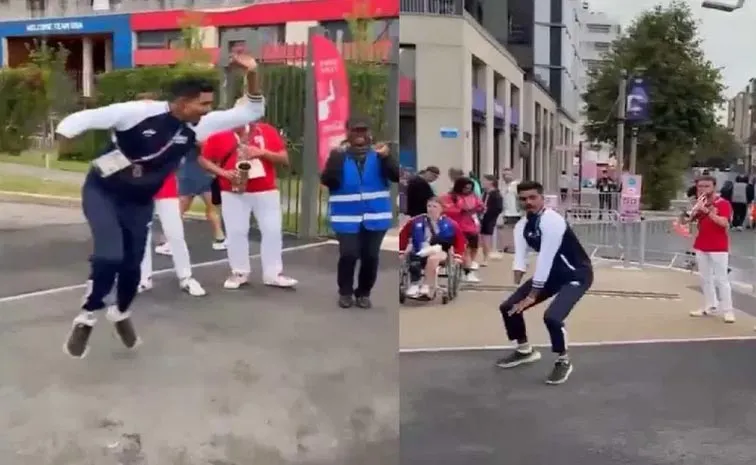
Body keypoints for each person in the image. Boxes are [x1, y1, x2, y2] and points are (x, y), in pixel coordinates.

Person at [56, 52, 264, 358]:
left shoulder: (199, 125)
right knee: (109, 255)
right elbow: (85, 118)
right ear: (182, 102)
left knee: (132, 269)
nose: (208, 111)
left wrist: (253, 73)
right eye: (202, 104)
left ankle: (120, 312)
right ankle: (87, 316)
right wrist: (65, 135)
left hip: (139, 202)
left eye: (209, 105)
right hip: (103, 191)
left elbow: (251, 110)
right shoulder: (139, 112)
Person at [495, 180, 593, 385]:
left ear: (541, 198)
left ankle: (563, 360)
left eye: (532, 197)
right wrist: (518, 279)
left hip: (577, 275)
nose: (528, 202)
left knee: (552, 318)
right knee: (509, 307)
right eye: (523, 199)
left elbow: (545, 258)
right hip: (552, 275)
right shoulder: (522, 225)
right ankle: (524, 351)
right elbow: (521, 257)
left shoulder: (552, 221)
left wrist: (532, 295)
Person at [199, 109, 297, 289]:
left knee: (273, 231)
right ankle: (239, 272)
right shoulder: (220, 134)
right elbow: (203, 159)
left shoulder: (267, 130)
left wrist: (261, 153)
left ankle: (273, 274)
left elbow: (284, 158)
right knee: (236, 232)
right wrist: (224, 173)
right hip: (232, 191)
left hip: (266, 190)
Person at [320, 117, 399, 308]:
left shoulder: (379, 155)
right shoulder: (339, 155)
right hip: (345, 217)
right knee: (349, 254)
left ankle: (364, 292)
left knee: (370, 256)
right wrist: (335, 160)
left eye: (363, 131)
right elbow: (328, 181)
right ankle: (345, 292)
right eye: (356, 131)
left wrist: (387, 157)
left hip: (376, 216)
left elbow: (396, 176)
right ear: (348, 133)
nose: (360, 135)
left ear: (369, 133)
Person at [138, 171, 207, 296]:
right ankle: (143, 278)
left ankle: (186, 277)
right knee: (140, 236)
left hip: (166, 190)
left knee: (175, 234)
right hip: (140, 190)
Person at [681, 175, 734, 323]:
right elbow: (687, 220)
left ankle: (728, 310)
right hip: (701, 244)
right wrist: (688, 214)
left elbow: (724, 223)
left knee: (722, 279)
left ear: (714, 187)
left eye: (706, 186)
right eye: (700, 186)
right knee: (705, 278)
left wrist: (706, 210)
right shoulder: (698, 203)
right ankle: (710, 305)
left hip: (718, 246)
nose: (703, 189)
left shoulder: (723, 203)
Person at [398, 197, 466, 299]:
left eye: (435, 206)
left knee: (433, 258)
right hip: (419, 249)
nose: (431, 209)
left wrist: (458, 255)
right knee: (413, 257)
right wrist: (401, 251)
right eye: (429, 206)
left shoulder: (450, 224)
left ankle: (426, 286)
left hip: (440, 250)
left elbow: (460, 240)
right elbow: (403, 236)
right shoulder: (416, 221)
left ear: (442, 208)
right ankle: (415, 284)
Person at [177, 145, 227, 249]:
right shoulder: (205, 136)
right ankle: (220, 239)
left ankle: (172, 242)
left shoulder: (191, 135)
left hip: (191, 175)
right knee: (212, 208)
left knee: (179, 211)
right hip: (204, 174)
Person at [440, 177, 484, 283]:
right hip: (457, 227)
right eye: (465, 188)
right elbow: (444, 209)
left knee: (474, 248)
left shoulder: (473, 196)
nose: (467, 190)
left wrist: (479, 208)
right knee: (465, 250)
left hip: (472, 227)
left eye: (469, 188)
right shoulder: (450, 197)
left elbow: (481, 205)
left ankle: (467, 267)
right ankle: (467, 272)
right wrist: (460, 210)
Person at [479, 174, 503, 266]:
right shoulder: (485, 193)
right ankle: (482, 257)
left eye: (485, 181)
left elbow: (498, 208)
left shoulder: (496, 194)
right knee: (481, 238)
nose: (483, 183)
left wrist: (488, 212)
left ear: (491, 182)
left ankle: (486, 258)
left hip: (489, 218)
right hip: (482, 217)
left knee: (486, 238)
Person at [499, 168, 520, 253]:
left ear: (512, 175)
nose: (506, 176)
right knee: (506, 230)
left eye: (508, 174)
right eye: (504, 175)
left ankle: (514, 247)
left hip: (515, 212)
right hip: (506, 212)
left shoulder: (516, 185)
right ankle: (507, 246)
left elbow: (519, 198)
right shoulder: (503, 186)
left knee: (514, 230)